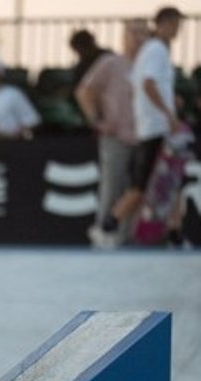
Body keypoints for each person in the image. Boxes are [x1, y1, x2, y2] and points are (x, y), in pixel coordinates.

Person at [89, 6, 185, 248]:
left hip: (151, 127)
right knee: (140, 187)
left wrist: (167, 102)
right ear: (164, 24)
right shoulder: (156, 50)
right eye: (175, 24)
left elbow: (138, 87)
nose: (178, 30)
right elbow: (147, 84)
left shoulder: (150, 52)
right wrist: (166, 114)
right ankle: (105, 227)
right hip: (155, 129)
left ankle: (174, 234)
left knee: (170, 183)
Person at [76, 20, 149, 244]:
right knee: (112, 185)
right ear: (124, 36)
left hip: (145, 137)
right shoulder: (111, 63)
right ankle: (104, 233)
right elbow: (85, 91)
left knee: (136, 189)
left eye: (143, 34)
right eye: (134, 33)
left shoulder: (149, 65)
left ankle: (127, 235)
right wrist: (97, 120)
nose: (138, 38)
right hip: (116, 137)